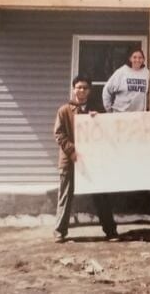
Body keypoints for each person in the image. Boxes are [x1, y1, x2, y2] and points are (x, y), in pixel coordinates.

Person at [54, 75, 118, 243]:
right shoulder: (64, 110)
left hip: (92, 161)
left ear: (89, 91)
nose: (81, 90)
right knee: (65, 195)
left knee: (101, 194)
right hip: (70, 160)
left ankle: (110, 231)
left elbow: (106, 132)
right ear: (73, 89)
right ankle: (60, 232)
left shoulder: (97, 109)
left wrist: (99, 119)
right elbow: (59, 134)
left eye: (85, 88)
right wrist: (71, 151)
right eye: (78, 87)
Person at [102, 48, 150, 113]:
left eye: (140, 57)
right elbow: (106, 90)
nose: (137, 60)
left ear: (144, 59)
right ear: (130, 58)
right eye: (134, 57)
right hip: (120, 113)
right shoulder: (121, 72)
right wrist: (109, 110)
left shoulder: (147, 73)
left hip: (138, 115)